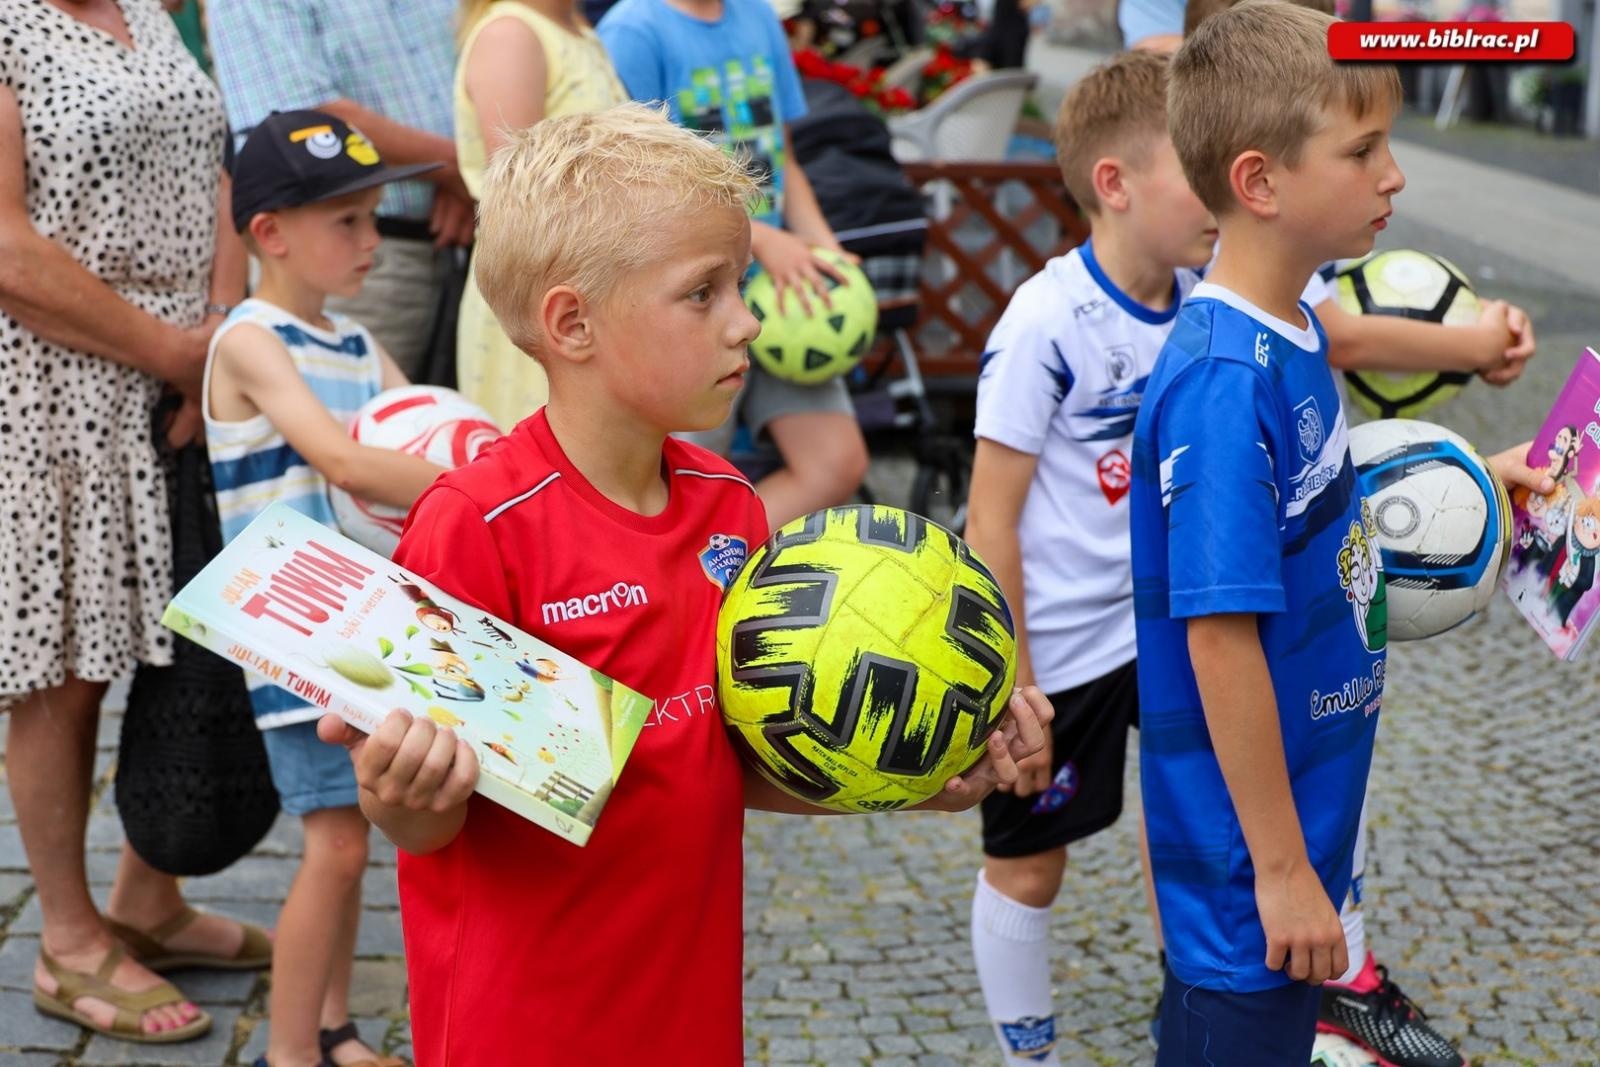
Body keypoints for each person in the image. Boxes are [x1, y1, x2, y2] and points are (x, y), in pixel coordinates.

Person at [315, 103, 1052, 1064]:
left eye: (739, 282)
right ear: (571, 322)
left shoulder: (727, 505)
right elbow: (426, 822)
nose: (748, 320)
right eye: (703, 292)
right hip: (522, 1022)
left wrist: (926, 782)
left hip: (688, 1011)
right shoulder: (478, 527)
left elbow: (724, 760)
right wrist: (400, 788)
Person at [1130, 4, 1408, 1060]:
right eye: (1362, 150)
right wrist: (1285, 870)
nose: (1392, 177)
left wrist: (1482, 477)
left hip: (1299, 837)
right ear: (1260, 182)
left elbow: (1318, 506)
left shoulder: (1289, 326)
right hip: (1248, 889)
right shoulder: (1218, 385)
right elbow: (1218, 637)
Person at [1, 0, 273, 1045]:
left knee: (183, 635)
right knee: (67, 665)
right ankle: (69, 940)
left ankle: (147, 901)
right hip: (52, 381)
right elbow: (6, 246)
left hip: (180, 373)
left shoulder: (149, 14)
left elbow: (215, 174)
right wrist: (176, 353)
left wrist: (218, 332)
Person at [963, 50, 1216, 1067]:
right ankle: (1029, 1053)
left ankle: (1194, 1015)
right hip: (1060, 652)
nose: (1225, 189)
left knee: (1196, 833)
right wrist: (1013, 675)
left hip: (1174, 624)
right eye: (1196, 169)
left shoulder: (1208, 293)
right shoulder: (1044, 319)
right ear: (1113, 184)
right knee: (1031, 865)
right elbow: (991, 516)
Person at [206, 110, 448, 1067]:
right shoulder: (249, 338)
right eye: (347, 222)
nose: (370, 241)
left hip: (368, 630)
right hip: (299, 636)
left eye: (373, 216)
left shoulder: (353, 343)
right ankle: (290, 1051)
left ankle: (335, 1028)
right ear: (270, 233)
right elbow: (346, 462)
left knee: (356, 844)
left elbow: (426, 422)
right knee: (337, 847)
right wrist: (487, 482)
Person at [598, 0, 871, 529]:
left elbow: (782, 159)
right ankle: (679, 579)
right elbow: (631, 181)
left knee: (836, 462)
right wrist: (763, 240)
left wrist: (825, 249)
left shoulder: (757, 16)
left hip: (781, 293)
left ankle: (719, 561)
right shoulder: (634, 29)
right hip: (695, 295)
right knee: (687, 471)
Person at [208, 0, 474, 379]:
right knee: (353, 421)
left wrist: (465, 177)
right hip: (355, 262)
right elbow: (304, 124)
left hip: (467, 233)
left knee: (434, 424)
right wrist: (464, 169)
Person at [452, 0, 628, 430]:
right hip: (541, 288)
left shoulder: (579, 31)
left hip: (589, 283)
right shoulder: (510, 34)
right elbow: (520, 192)